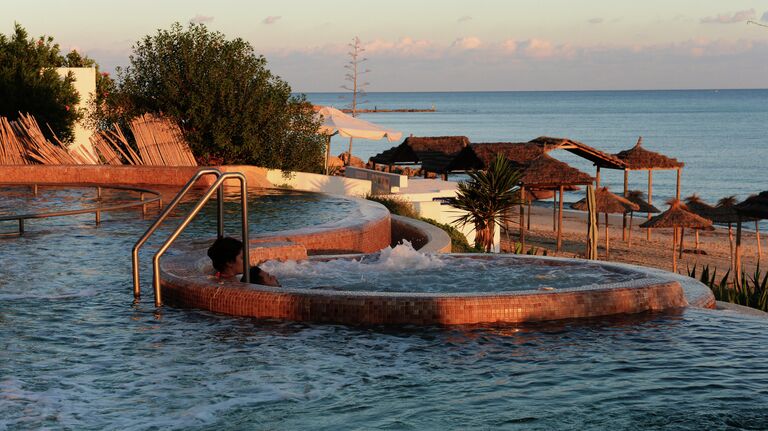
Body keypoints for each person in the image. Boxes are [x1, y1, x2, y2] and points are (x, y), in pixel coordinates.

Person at [207, 236, 280, 287]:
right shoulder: (234, 285)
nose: (246, 261)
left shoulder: (220, 276)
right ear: (229, 262)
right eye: (242, 258)